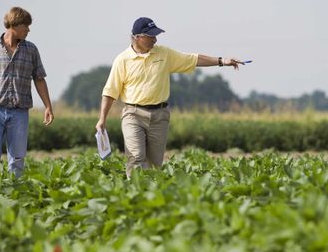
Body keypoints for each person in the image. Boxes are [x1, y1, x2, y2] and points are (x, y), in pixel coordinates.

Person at [96, 17, 244, 176]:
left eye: (155, 35)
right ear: (137, 37)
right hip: (133, 114)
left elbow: (193, 59)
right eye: (151, 36)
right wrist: (102, 119)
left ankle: (150, 195)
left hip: (160, 115)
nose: (155, 39)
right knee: (136, 156)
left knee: (155, 164)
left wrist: (222, 61)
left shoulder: (164, 53)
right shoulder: (122, 60)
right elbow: (110, 91)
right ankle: (134, 192)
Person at [0, 6, 54, 177]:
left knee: (17, 159)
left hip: (19, 111)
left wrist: (48, 106)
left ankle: (15, 195)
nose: (28, 30)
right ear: (14, 25)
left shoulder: (31, 50)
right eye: (26, 26)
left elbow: (39, 78)